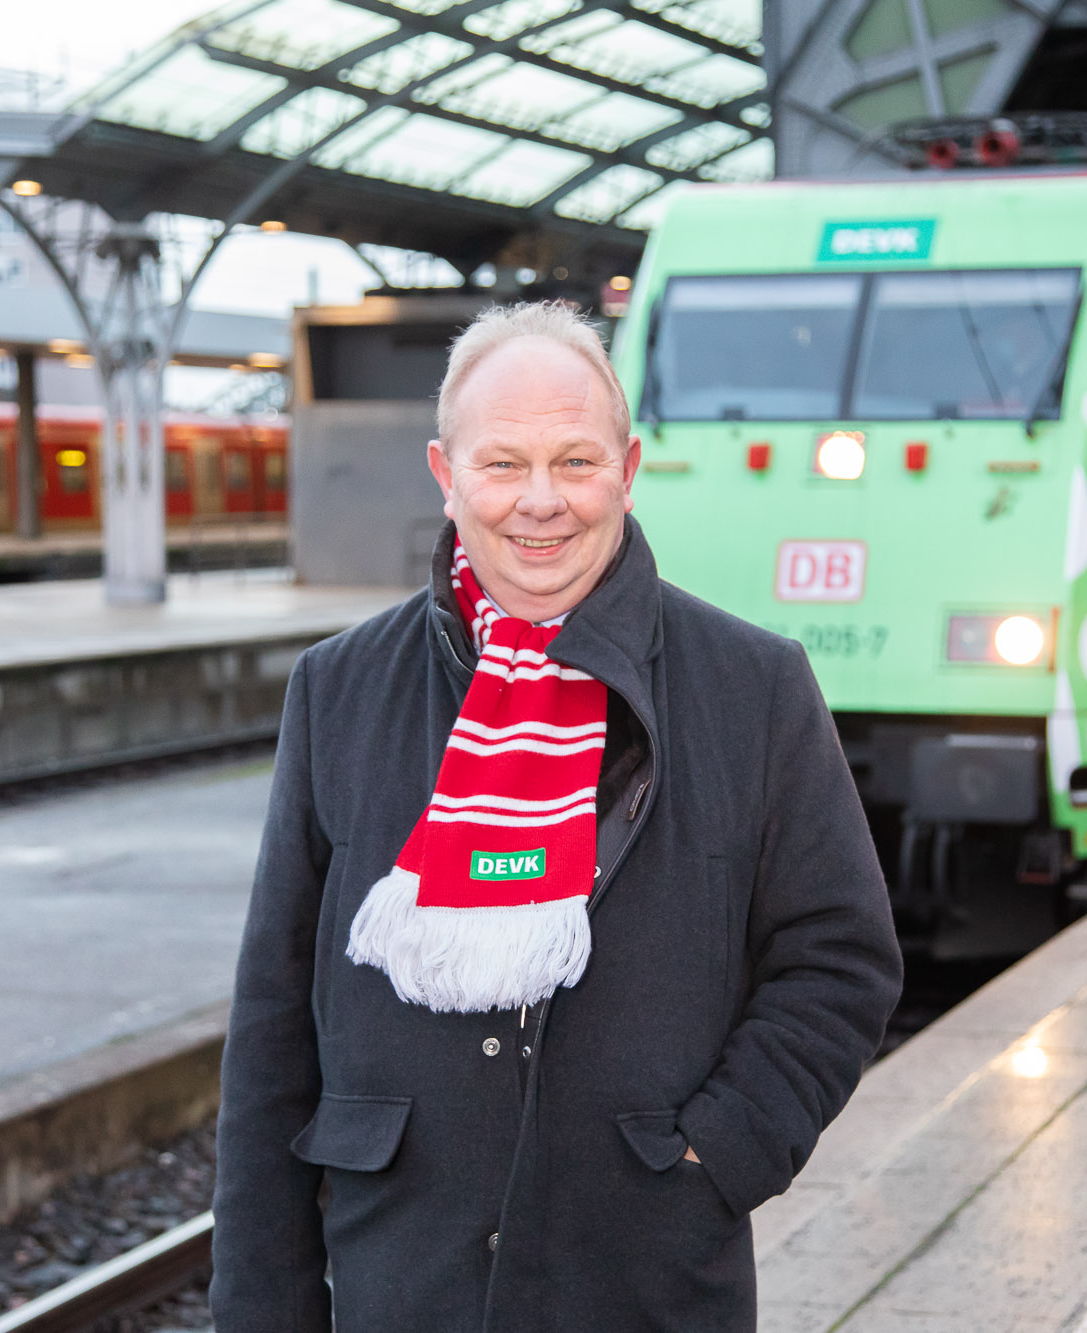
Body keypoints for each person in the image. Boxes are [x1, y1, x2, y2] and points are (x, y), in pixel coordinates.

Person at [210, 301, 901, 1331]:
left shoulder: (754, 686)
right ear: (446, 476)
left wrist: (717, 1152)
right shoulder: (338, 689)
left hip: (647, 1286)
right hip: (405, 1286)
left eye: (575, 461)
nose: (541, 501)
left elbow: (840, 959)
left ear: (627, 469)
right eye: (502, 464)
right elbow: (273, 1023)